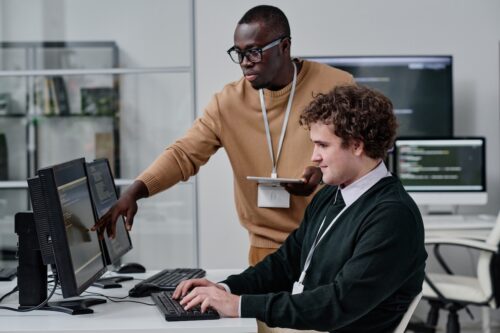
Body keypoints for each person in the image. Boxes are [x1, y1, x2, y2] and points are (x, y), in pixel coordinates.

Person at [94, 5, 353, 265]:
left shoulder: (336, 86)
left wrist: (327, 173)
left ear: (284, 47)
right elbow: (183, 154)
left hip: (329, 243)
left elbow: (363, 156)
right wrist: (133, 192)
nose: (244, 62)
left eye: (253, 51)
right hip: (266, 254)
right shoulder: (228, 102)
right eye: (238, 53)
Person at [172, 85, 427, 333]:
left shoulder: (392, 216)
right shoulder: (331, 194)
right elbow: (286, 264)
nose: (314, 157)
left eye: (323, 145)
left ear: (357, 145)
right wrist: (225, 289)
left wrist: (239, 305)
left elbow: (338, 304)